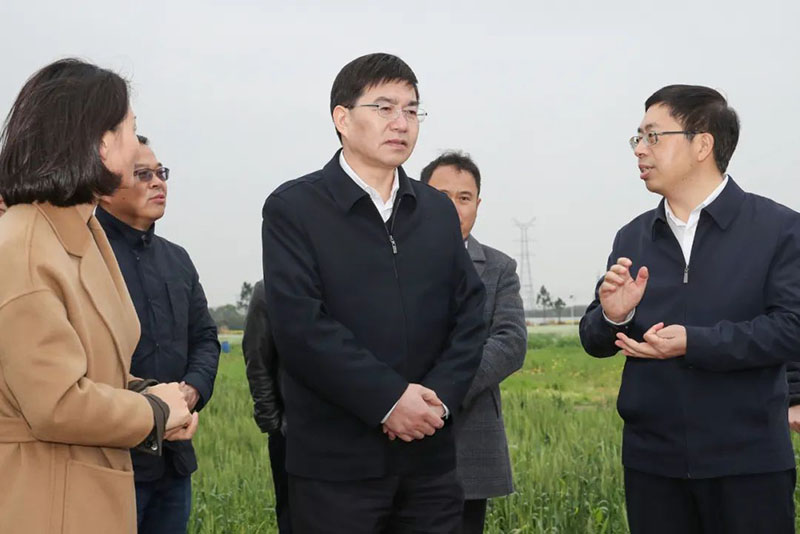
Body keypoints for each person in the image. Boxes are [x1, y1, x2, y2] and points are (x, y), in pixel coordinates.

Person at [261, 52, 487, 533]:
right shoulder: (294, 208)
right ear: (342, 119)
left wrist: (437, 401)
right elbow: (302, 328)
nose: (401, 122)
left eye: (411, 110)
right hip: (335, 467)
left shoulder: (436, 211)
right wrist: (388, 400)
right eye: (384, 108)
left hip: (429, 460)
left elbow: (470, 315)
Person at [579, 84, 800, 534]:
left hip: (748, 463)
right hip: (652, 465)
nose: (640, 149)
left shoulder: (778, 229)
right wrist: (614, 315)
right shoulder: (633, 237)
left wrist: (694, 342)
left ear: (702, 144)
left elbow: (791, 328)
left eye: (653, 136)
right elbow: (594, 339)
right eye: (638, 138)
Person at [0, 58, 196, 534]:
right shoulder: (25, 248)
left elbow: (94, 366)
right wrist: (154, 412)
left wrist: (150, 393)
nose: (137, 145)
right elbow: (56, 404)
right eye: (130, 127)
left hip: (87, 489)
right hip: (46, 500)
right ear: (100, 142)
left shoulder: (82, 233)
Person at [95, 135, 220, 532]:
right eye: (142, 174)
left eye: (161, 173)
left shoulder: (177, 259)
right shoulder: (82, 256)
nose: (158, 183)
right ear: (104, 189)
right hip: (107, 461)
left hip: (173, 459)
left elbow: (205, 337)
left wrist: (192, 390)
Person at [421, 151, 526, 533]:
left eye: (464, 198)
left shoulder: (499, 268)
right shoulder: (386, 258)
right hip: (394, 432)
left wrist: (442, 393)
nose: (453, 207)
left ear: (478, 205)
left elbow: (510, 342)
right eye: (442, 196)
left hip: (468, 435)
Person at [242, 280, 291, 533]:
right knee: (293, 516)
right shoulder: (268, 289)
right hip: (290, 436)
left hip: (347, 436)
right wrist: (274, 425)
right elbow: (257, 360)